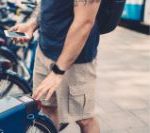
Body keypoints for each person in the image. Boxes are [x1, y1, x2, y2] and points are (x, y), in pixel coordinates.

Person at [11, 0, 101, 132]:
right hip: (44, 49)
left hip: (75, 60)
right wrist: (32, 24)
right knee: (47, 108)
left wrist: (58, 71)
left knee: (84, 119)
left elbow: (84, 23)